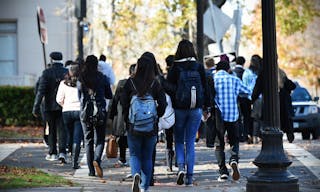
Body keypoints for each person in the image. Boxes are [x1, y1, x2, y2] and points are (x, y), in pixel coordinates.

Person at [120, 53, 166, 192]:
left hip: (134, 125)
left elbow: (123, 103)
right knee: (147, 156)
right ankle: (144, 187)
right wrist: (157, 116)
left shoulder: (130, 82)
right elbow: (163, 104)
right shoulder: (155, 83)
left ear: (138, 67)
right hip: (151, 126)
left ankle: (136, 175)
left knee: (134, 154)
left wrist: (127, 119)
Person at [167, 39, 210, 186]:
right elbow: (205, 88)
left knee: (178, 140)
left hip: (179, 109)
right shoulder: (198, 67)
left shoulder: (175, 67)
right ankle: (190, 178)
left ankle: (180, 168)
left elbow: (168, 87)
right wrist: (207, 107)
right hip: (196, 109)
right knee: (190, 142)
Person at [214, 60, 251, 182]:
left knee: (219, 145)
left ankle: (223, 172)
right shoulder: (234, 79)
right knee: (234, 140)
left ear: (217, 69)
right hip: (232, 115)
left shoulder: (213, 80)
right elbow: (247, 92)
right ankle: (234, 159)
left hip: (218, 117)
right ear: (228, 69)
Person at [78, 55, 113, 177]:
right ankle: (97, 160)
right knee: (99, 140)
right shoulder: (102, 77)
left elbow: (79, 96)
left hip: (85, 112)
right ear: (97, 64)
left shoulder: (81, 78)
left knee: (88, 141)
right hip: (100, 111)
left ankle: (91, 171)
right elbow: (109, 95)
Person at [32, 51, 68, 162]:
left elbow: (40, 91)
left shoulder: (46, 73)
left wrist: (36, 107)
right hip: (64, 105)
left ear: (51, 60)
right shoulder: (66, 72)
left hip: (49, 106)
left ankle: (53, 153)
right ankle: (63, 152)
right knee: (62, 129)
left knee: (51, 130)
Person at [56, 63, 83, 169]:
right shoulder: (81, 82)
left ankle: (69, 151)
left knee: (69, 135)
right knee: (77, 138)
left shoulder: (63, 83)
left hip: (66, 111)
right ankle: (74, 161)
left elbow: (58, 99)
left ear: (69, 72)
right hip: (79, 111)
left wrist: (64, 106)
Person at [109, 64, 136, 167]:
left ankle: (122, 158)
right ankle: (134, 158)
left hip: (121, 114)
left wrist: (112, 116)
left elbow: (115, 100)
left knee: (122, 137)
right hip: (135, 114)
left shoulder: (122, 83)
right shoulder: (140, 83)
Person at [242, 55, 262, 144]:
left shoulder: (247, 72)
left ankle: (250, 136)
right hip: (258, 97)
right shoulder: (260, 73)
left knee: (250, 118)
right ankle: (258, 136)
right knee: (258, 118)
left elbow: (244, 86)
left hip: (248, 98)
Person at [232, 56, 248, 142]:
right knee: (245, 116)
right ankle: (244, 134)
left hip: (235, 98)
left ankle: (237, 135)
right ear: (243, 63)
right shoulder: (245, 72)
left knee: (237, 117)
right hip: (244, 98)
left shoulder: (232, 72)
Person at [279, 68, 296, 143]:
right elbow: (293, 86)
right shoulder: (283, 76)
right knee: (288, 120)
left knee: (281, 120)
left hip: (280, 102)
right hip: (285, 102)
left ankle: (287, 136)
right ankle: (290, 136)